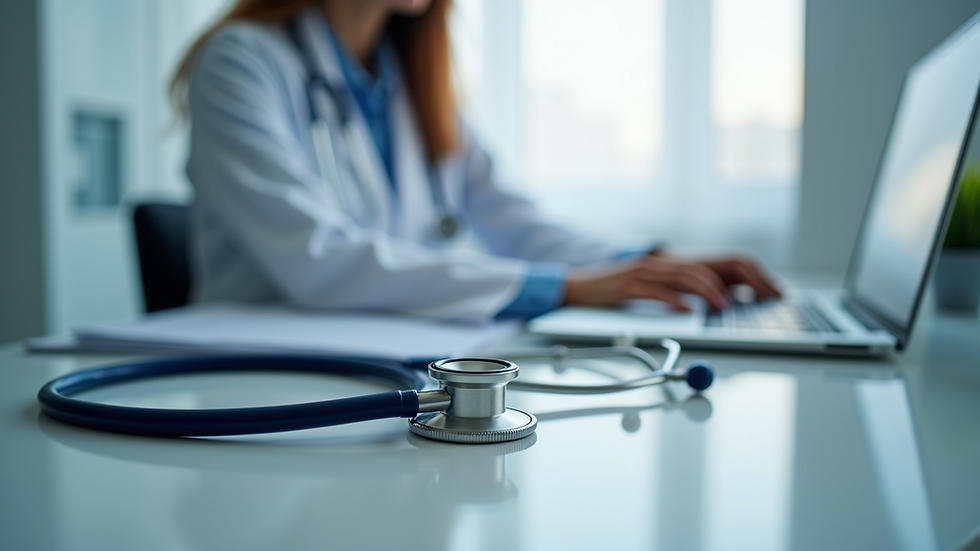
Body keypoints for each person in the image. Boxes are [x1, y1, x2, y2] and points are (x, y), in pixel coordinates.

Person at [171, 0, 781, 323]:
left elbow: (514, 222)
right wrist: (563, 289)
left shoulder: (410, 83)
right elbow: (317, 258)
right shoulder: (241, 63)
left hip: (379, 368)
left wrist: (649, 264)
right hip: (256, 380)